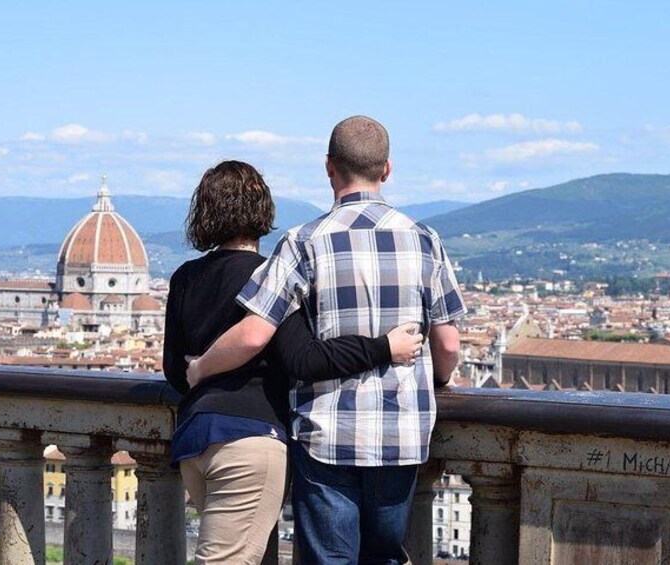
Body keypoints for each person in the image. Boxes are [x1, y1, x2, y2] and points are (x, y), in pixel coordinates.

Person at [186, 117, 466, 564]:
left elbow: (255, 332)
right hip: (402, 434)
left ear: (329, 168)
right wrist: (438, 380)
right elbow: (448, 346)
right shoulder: (425, 241)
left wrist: (199, 367)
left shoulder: (303, 241)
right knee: (385, 556)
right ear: (387, 170)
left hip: (327, 433)